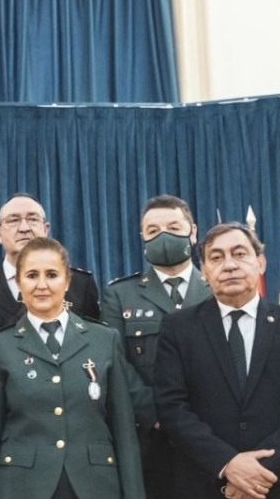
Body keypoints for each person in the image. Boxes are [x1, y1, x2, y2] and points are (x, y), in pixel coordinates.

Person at [154, 223, 280, 499]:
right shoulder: (178, 329)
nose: (229, 265)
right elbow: (172, 409)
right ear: (203, 272)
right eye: (216, 257)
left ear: (260, 263)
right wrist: (227, 464)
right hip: (206, 486)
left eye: (240, 254)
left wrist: (257, 472)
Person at [0, 237, 143, 499]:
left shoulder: (104, 340)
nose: (42, 285)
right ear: (18, 283)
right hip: (23, 486)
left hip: (95, 485)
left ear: (67, 281)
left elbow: (124, 433)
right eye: (31, 275)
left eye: (52, 275)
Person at [100, 195, 211, 498]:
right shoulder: (119, 295)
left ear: (193, 231)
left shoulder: (218, 290)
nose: (163, 235)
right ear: (142, 238)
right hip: (150, 440)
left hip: (215, 437)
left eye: (174, 227)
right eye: (152, 231)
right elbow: (115, 364)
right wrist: (163, 416)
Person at [0, 194, 100, 386]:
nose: (24, 228)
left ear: (46, 229)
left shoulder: (80, 285)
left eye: (32, 219)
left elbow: (94, 352)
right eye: (13, 220)